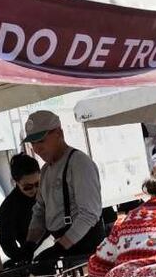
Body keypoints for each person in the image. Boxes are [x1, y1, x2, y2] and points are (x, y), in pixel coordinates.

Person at [24, 110, 105, 260]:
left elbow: (89, 214)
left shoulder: (79, 164)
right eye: (33, 143)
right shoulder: (46, 170)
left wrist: (59, 248)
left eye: (41, 141)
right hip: (66, 247)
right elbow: (40, 210)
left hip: (86, 249)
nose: (36, 148)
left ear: (59, 133)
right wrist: (29, 245)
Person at [0, 153, 41, 264]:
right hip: (34, 255)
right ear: (16, 182)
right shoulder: (9, 206)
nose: (34, 189)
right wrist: (22, 257)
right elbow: (7, 241)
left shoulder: (48, 191)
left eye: (38, 184)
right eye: (27, 186)